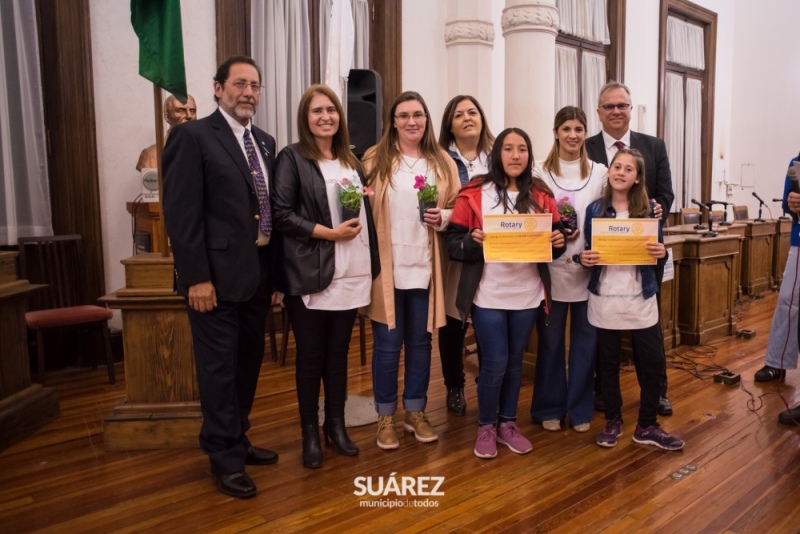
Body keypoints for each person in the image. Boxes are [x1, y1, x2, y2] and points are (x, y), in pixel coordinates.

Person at [162, 56, 277, 499]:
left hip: (257, 278)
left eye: (255, 85)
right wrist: (195, 278)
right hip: (212, 282)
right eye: (239, 84)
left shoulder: (264, 142)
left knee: (248, 364)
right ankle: (223, 457)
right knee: (218, 371)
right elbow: (182, 214)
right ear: (217, 88)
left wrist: (277, 279)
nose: (248, 92)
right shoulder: (192, 136)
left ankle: (237, 437)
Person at [272, 84, 380, 468]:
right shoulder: (292, 157)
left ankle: (336, 427)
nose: (325, 117)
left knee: (339, 356)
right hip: (311, 273)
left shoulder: (352, 161)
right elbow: (282, 214)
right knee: (311, 357)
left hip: (352, 270)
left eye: (331, 110)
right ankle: (310, 434)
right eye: (317, 111)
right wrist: (330, 234)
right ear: (306, 118)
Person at [446, 127, 567, 459]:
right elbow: (453, 245)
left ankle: (508, 424)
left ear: (529, 155)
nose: (516, 155)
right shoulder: (474, 192)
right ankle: (486, 425)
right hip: (488, 294)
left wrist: (559, 244)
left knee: (514, 363)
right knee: (495, 362)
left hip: (527, 294)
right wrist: (471, 242)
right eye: (509, 148)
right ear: (497, 153)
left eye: (523, 149)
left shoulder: (541, 194)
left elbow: (553, 244)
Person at [361, 91, 459, 450]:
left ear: (427, 119)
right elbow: (360, 207)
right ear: (393, 121)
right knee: (388, 344)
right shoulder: (375, 159)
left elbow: (457, 207)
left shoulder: (441, 161)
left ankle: (415, 411)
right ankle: (384, 415)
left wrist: (444, 217)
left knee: (421, 342)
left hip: (426, 265)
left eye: (418, 114)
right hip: (387, 266)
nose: (411, 122)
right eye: (403, 116)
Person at [580, 148, 684, 451]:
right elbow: (588, 251)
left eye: (628, 169)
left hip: (641, 297)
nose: (621, 172)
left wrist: (661, 253)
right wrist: (584, 257)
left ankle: (647, 425)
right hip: (605, 296)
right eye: (617, 166)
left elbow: (658, 255)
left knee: (651, 363)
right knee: (609, 365)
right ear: (609, 171)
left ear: (637, 178)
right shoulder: (595, 210)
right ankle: (613, 421)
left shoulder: (650, 210)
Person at [584, 81, 675, 416]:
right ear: (599, 112)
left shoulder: (654, 146)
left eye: (622, 105)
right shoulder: (586, 146)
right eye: (609, 106)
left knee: (648, 333)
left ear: (630, 109)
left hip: (644, 257)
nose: (616, 111)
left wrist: (659, 208)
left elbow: (666, 193)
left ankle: (657, 393)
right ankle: (603, 395)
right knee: (603, 340)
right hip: (604, 258)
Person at [532, 106, 607, 433]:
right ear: (556, 132)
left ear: (585, 133)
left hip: (588, 268)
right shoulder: (538, 173)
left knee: (585, 342)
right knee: (549, 342)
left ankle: (579, 409)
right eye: (566, 129)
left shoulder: (601, 173)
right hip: (550, 269)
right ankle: (549, 406)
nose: (573, 135)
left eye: (579, 129)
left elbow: (611, 213)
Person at [436, 95, 495, 415]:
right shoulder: (440, 159)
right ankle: (454, 386)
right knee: (453, 322)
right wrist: (449, 218)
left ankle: (487, 382)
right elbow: (436, 205)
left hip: (495, 252)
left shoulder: (498, 155)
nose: (467, 118)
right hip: (458, 250)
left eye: (473, 111)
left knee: (489, 320)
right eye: (459, 114)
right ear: (450, 124)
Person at [752, 153, 800, 425]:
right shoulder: (797, 161)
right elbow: (787, 202)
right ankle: (776, 362)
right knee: (788, 302)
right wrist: (793, 203)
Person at [136, 93, 197, 171]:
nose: (189, 116)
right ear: (167, 116)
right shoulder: (151, 155)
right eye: (181, 110)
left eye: (192, 111)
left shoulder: (205, 151)